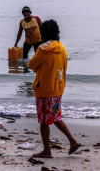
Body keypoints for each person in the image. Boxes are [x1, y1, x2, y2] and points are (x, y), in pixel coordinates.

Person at [28, 20, 80, 158]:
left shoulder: (43, 49)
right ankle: (73, 141)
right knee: (56, 117)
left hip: (44, 90)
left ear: (43, 34)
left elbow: (31, 65)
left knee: (44, 121)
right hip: (58, 89)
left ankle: (47, 151)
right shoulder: (62, 48)